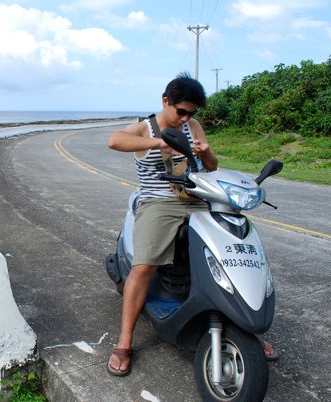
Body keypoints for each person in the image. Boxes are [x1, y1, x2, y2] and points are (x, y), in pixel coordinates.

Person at [106, 72, 277, 376]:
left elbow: (211, 167)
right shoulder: (144, 127)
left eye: (191, 113)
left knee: (230, 250)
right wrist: (158, 142)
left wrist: (204, 151)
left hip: (198, 198)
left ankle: (245, 328)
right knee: (144, 266)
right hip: (160, 203)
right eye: (181, 111)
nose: (185, 118)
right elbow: (114, 140)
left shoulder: (192, 126)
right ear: (165, 101)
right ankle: (124, 342)